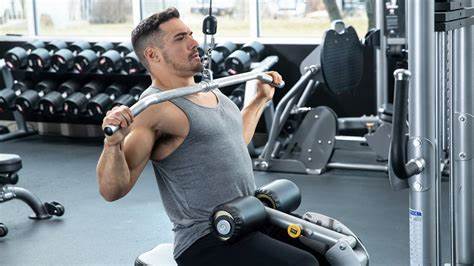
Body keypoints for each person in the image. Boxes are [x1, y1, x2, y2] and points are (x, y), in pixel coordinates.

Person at [96, 7, 318, 266]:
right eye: (180, 38)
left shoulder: (209, 90)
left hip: (247, 218)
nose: (194, 42)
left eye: (190, 34)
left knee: (328, 251)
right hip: (207, 238)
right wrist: (113, 143)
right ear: (153, 54)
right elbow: (112, 190)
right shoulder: (155, 109)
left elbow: (234, 139)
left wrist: (259, 100)